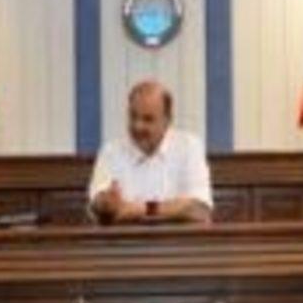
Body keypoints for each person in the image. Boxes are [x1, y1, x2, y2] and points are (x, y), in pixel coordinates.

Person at [88, 80, 213, 224]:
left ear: (167, 120)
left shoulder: (189, 147)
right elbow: (97, 203)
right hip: (124, 238)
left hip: (178, 238)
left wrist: (139, 209)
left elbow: (199, 209)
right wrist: (105, 204)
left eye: (148, 119)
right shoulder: (111, 151)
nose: (138, 126)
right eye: (133, 116)